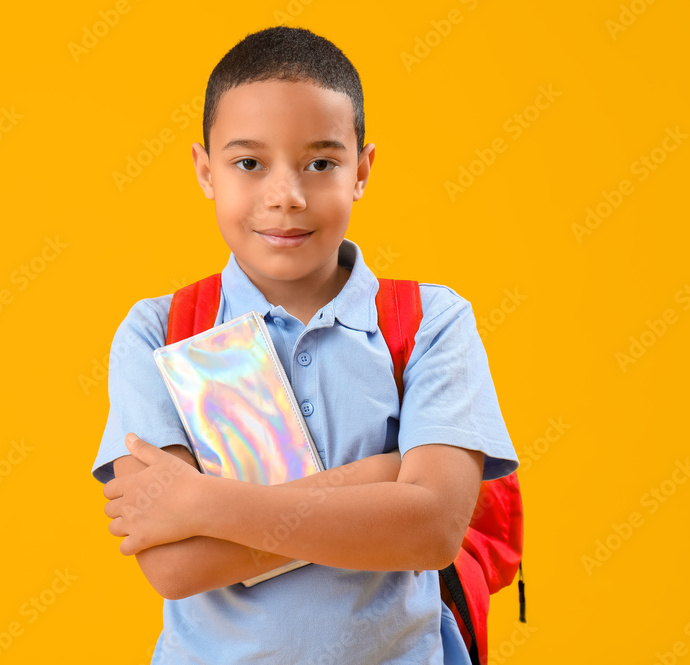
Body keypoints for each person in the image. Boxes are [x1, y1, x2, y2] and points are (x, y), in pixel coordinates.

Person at [91, 25, 519, 664]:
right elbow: (176, 567)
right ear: (205, 172)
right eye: (248, 163)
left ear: (362, 170)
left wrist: (206, 502)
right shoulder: (158, 331)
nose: (285, 195)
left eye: (320, 162)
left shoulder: (432, 320)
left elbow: (432, 530)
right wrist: (382, 478)